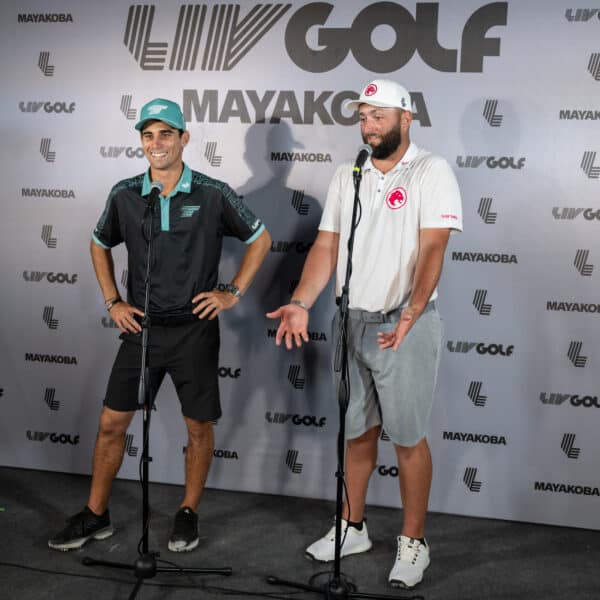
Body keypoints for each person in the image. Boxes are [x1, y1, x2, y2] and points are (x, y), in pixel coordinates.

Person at [48, 98, 271, 552]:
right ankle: (97, 515)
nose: (156, 143)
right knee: (112, 423)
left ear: (184, 139)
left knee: (197, 428)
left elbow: (260, 238)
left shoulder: (212, 191)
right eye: (148, 135)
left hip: (193, 329)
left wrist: (234, 292)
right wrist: (112, 301)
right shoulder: (126, 193)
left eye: (166, 134)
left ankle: (188, 512)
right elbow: (98, 244)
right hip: (141, 329)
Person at [267, 79, 462, 588]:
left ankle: (414, 542)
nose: (369, 126)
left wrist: (411, 313)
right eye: (363, 117)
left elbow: (434, 248)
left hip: (404, 324)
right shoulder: (347, 174)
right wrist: (301, 301)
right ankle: (352, 526)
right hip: (351, 320)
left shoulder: (430, 170)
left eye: (379, 116)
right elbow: (327, 246)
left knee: (408, 439)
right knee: (357, 432)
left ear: (406, 118)